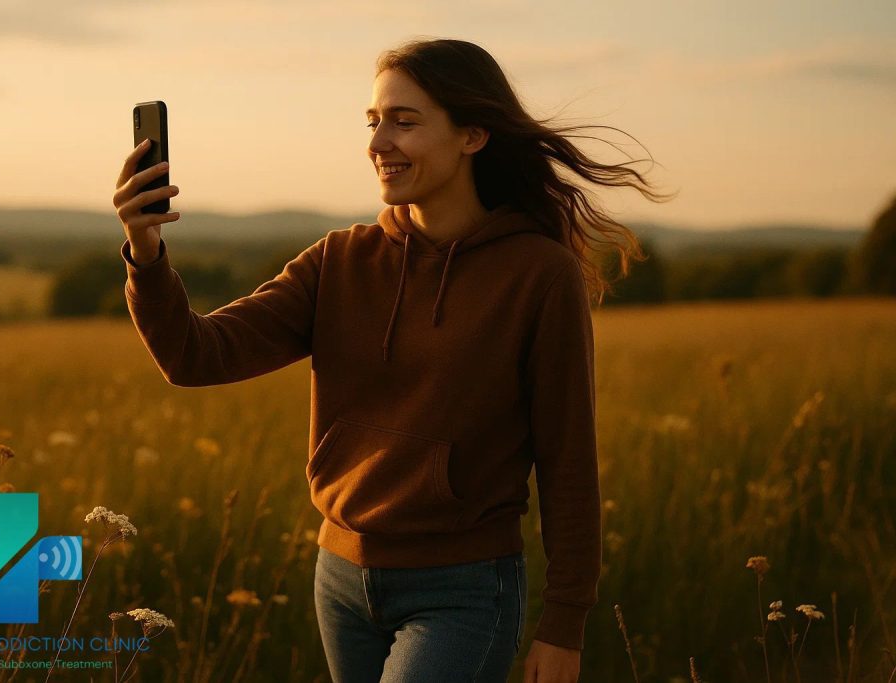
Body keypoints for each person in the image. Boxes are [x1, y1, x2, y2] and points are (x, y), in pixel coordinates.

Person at [113, 37, 672, 683]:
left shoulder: (537, 274)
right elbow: (194, 355)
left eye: (405, 122)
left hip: (463, 590)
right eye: (373, 121)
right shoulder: (341, 259)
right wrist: (145, 250)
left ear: (473, 134)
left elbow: (568, 457)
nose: (380, 141)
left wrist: (565, 622)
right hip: (342, 580)